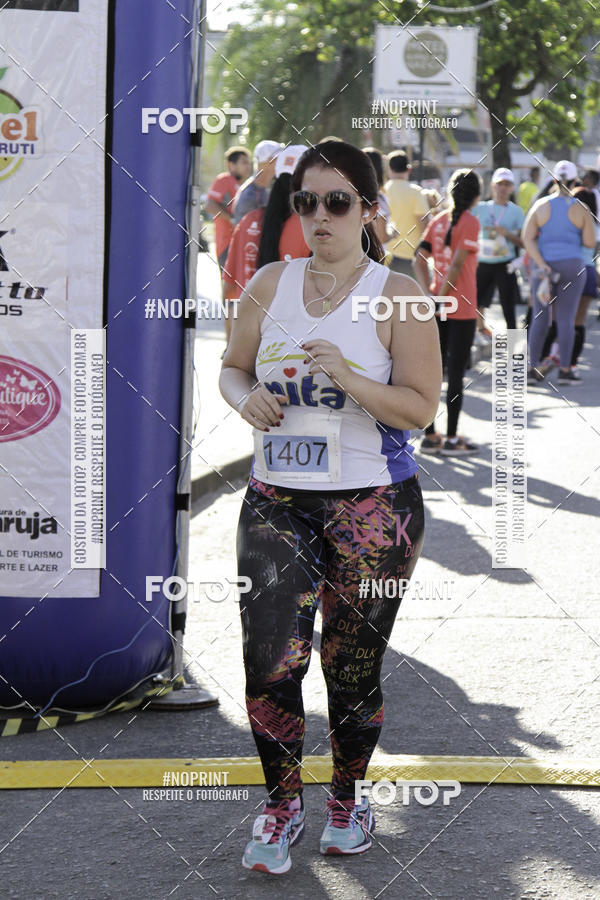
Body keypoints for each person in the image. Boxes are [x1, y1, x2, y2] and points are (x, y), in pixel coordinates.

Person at [220, 140, 441, 874]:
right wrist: (243, 398)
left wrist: (349, 378)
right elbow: (231, 368)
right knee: (271, 663)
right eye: (305, 201)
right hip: (277, 500)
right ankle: (281, 806)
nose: (319, 216)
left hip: (372, 505)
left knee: (350, 667)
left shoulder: (399, 293)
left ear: (369, 210)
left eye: (337, 202)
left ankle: (348, 796)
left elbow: (417, 409)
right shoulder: (269, 286)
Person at [413, 169, 481, 455]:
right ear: (476, 196)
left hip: (437, 307)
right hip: (461, 307)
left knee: (433, 372)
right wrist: (439, 298)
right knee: (454, 373)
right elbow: (456, 266)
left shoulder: (438, 221)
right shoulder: (471, 222)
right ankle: (452, 439)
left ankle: (430, 436)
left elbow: (419, 257)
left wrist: (428, 294)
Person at [523, 160, 595, 385]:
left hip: (543, 269)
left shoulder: (541, 205)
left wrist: (541, 263)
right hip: (572, 267)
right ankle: (565, 370)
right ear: (576, 181)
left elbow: (527, 238)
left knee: (540, 318)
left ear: (553, 180)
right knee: (566, 319)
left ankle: (533, 368)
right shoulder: (581, 208)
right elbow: (589, 242)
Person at [474, 167, 525, 334]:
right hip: (483, 262)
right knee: (475, 300)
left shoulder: (516, 212)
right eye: (500, 184)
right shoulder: (480, 208)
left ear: (512, 188)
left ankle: (513, 351)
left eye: (507, 184)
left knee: (508, 306)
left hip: (505, 263)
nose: (503, 188)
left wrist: (507, 234)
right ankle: (480, 329)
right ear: (492, 186)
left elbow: (524, 243)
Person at [206, 146, 252, 270]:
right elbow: (210, 205)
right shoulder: (224, 180)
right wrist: (233, 219)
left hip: (243, 243)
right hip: (227, 244)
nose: (248, 166)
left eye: (249, 163)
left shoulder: (246, 185)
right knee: (230, 286)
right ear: (231, 165)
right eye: (244, 162)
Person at [385, 150, 430, 275]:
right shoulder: (416, 192)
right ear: (408, 169)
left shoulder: (382, 191)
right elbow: (424, 223)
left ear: (389, 169)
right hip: (411, 256)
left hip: (386, 254)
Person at [232, 139, 283, 225]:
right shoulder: (249, 196)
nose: (283, 162)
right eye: (279, 158)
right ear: (269, 161)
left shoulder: (268, 187)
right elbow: (249, 235)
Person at [363, 147, 390, 253]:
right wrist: (393, 234)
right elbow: (382, 238)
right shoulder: (379, 199)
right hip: (374, 257)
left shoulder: (353, 197)